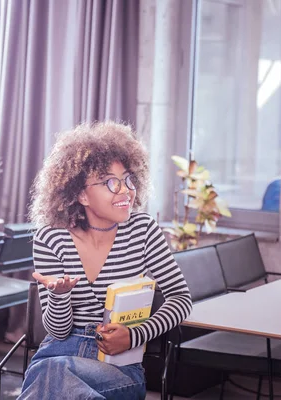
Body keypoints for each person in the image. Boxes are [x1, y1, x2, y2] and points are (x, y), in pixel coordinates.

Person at [19, 121, 193, 399]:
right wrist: (61, 295)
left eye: (128, 179)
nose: (125, 190)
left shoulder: (143, 230)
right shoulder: (50, 237)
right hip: (61, 350)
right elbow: (58, 331)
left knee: (52, 376)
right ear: (80, 193)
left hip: (118, 364)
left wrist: (133, 336)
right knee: (56, 371)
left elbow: (181, 300)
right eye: (111, 182)